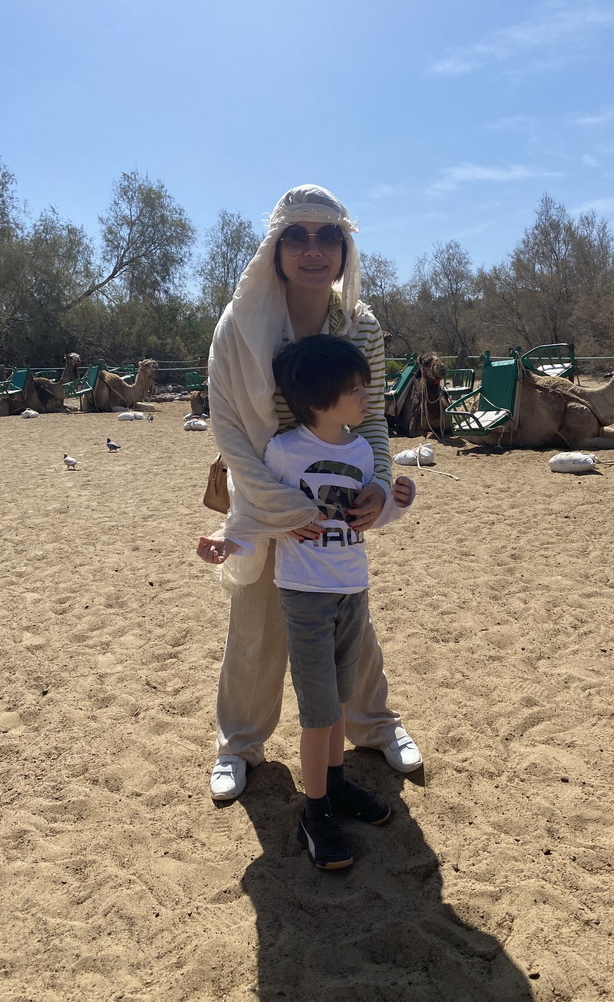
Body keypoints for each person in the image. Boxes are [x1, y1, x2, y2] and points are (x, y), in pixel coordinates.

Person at [197, 184, 423, 802]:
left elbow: (372, 415)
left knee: (348, 615)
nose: (312, 248)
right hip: (265, 489)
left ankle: (374, 726)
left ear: (346, 247)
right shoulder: (241, 322)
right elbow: (227, 422)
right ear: (275, 247)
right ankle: (239, 744)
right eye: (296, 235)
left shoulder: (360, 325)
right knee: (256, 622)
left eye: (328, 235)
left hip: (338, 493)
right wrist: (277, 506)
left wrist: (377, 482)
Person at [201, 336, 416, 868]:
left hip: (352, 589)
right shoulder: (284, 452)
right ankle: (314, 809)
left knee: (339, 699)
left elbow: (371, 514)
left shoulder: (362, 451)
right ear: (319, 400)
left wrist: (396, 501)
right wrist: (229, 542)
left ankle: (337, 785)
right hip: (306, 597)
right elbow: (261, 514)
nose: (366, 398)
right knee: (318, 711)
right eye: (354, 390)